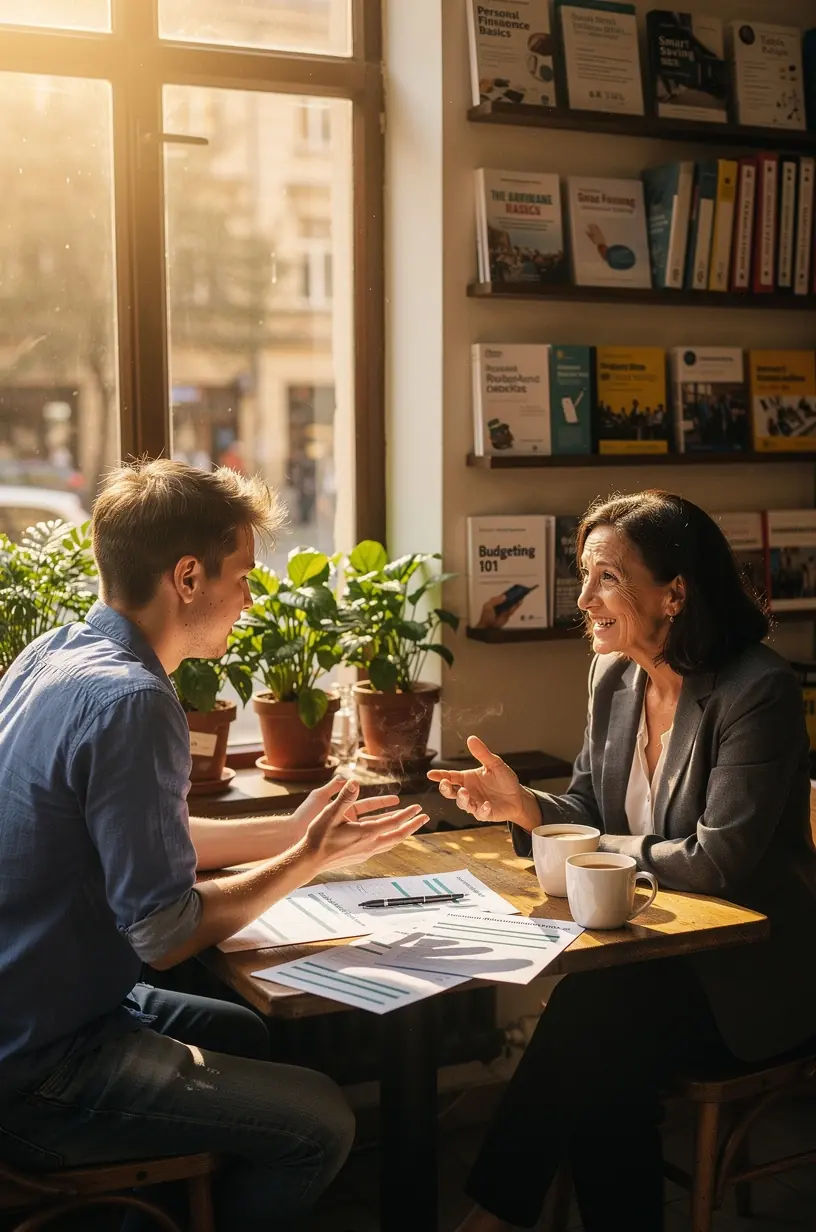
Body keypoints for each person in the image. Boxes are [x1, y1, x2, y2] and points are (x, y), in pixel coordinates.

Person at [0, 458, 428, 1230]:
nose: (251, 596)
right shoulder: (134, 701)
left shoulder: (54, 654)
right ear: (188, 577)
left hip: (31, 1010)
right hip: (37, 1067)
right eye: (243, 576)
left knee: (241, 1027)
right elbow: (164, 934)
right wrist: (307, 863)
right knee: (321, 1123)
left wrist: (292, 830)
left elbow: (139, 834)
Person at [428, 490, 816, 1232]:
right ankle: (500, 1217)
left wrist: (586, 844)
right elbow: (591, 810)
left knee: (598, 1018)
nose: (584, 599)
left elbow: (716, 860)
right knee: (605, 1054)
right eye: (584, 575)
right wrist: (529, 810)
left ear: (674, 593)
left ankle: (493, 1217)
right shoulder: (614, 677)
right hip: (653, 964)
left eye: (606, 576)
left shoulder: (756, 690)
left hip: (754, 978)